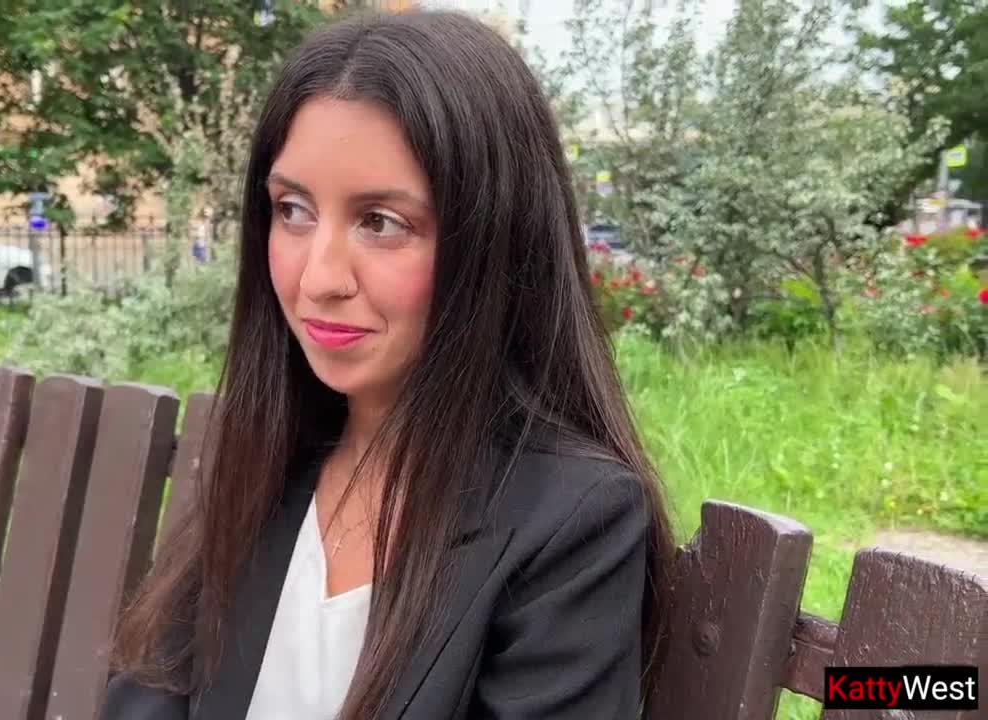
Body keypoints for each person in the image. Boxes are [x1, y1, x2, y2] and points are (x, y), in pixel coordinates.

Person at [101, 9, 673, 720]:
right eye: (293, 210)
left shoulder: (570, 521)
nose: (320, 277)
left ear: (494, 242)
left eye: (380, 222)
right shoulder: (268, 455)